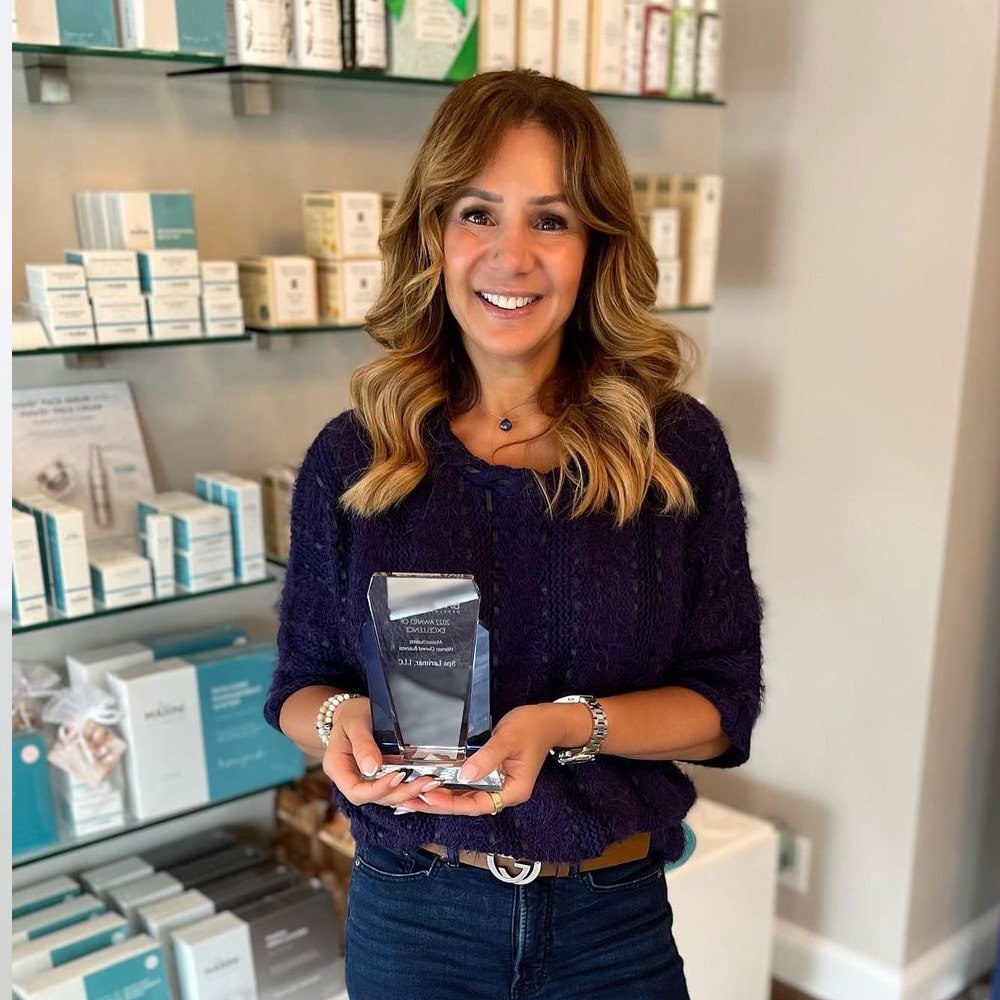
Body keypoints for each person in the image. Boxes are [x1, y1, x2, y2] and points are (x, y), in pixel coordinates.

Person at [264, 68, 764, 1000]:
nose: (512, 256)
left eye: (552, 219)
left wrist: (566, 726)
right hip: (415, 916)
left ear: (595, 246)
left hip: (611, 920)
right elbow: (300, 686)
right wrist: (339, 727)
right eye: (478, 214)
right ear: (433, 234)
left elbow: (722, 709)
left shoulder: (672, 449)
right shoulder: (356, 457)